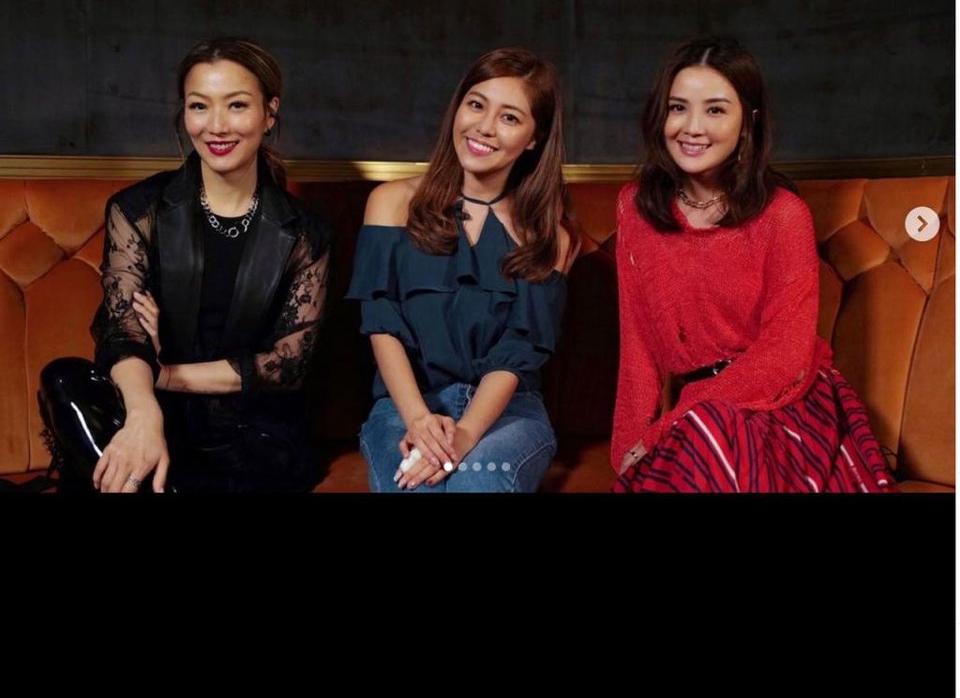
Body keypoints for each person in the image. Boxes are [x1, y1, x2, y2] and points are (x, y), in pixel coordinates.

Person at [39, 37, 332, 493]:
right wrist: (144, 414)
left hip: (251, 432)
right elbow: (123, 332)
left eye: (237, 105)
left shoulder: (305, 234)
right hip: (155, 414)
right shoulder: (138, 209)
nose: (216, 126)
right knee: (62, 377)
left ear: (269, 113)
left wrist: (166, 373)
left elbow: (284, 364)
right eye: (199, 106)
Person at [612, 35, 896, 493]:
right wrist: (628, 449)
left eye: (716, 110)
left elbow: (784, 355)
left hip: (786, 402)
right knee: (691, 447)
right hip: (699, 416)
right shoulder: (634, 208)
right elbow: (638, 343)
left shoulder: (783, 215)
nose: (692, 127)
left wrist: (668, 426)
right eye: (678, 107)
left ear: (749, 120)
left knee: (708, 438)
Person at [347, 47, 577, 492]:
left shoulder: (549, 238)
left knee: (477, 482)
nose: (484, 127)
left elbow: (516, 353)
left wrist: (466, 434)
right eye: (476, 105)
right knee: (412, 485)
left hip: (509, 412)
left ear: (534, 138)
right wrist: (418, 418)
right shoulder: (391, 203)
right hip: (404, 406)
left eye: (509, 117)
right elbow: (381, 324)